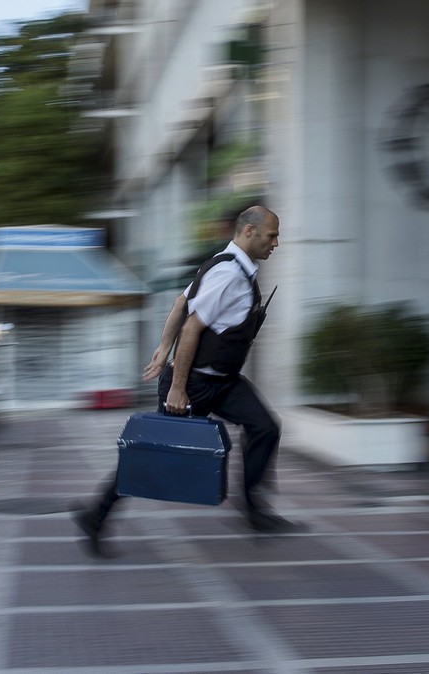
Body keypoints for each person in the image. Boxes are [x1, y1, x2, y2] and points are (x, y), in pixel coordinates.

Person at [73, 205, 301, 556]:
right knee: (155, 457)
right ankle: (95, 516)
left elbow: (182, 302)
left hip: (223, 381)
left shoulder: (228, 264)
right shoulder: (228, 272)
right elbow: (192, 326)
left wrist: (163, 348)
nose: (276, 242)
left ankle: (255, 510)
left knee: (265, 427)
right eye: (272, 235)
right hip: (192, 383)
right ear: (250, 231)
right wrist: (177, 386)